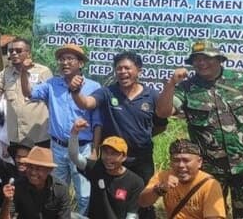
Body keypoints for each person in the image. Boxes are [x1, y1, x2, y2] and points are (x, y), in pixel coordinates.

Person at [157, 40, 243, 218]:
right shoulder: (186, 88)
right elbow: (163, 112)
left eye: (206, 58)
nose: (201, 63)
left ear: (219, 59)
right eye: (196, 59)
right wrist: (170, 84)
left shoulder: (242, 81)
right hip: (210, 170)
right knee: (212, 215)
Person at [69, 51, 171, 216]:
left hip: (141, 161)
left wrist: (140, 136)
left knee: (141, 203)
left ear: (139, 70)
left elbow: (161, 125)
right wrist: (75, 91)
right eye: (119, 69)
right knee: (110, 201)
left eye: (127, 68)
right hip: (112, 158)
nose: (123, 72)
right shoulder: (107, 92)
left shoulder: (151, 95)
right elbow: (86, 103)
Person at [28, 44, 101, 215]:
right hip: (58, 148)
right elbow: (30, 93)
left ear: (81, 63)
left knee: (84, 195)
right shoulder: (52, 84)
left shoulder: (93, 86)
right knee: (58, 191)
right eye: (62, 59)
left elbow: (98, 122)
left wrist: (95, 151)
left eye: (70, 59)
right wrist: (24, 72)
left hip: (82, 148)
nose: (65, 63)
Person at [0, 38, 53, 145]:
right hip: (16, 136)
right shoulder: (6, 73)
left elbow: (52, 101)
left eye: (18, 51)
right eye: (11, 51)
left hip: (39, 136)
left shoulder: (43, 72)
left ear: (28, 53)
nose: (14, 53)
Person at [69, 118, 144, 219]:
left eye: (114, 154)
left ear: (124, 157)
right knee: (67, 215)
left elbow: (132, 214)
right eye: (106, 152)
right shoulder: (96, 168)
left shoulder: (136, 182)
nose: (108, 157)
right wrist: (74, 132)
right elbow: (75, 157)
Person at [139, 139, 225, 219]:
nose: (181, 165)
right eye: (176, 160)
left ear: (199, 162)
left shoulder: (210, 185)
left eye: (186, 160)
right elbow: (143, 202)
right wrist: (160, 189)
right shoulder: (163, 177)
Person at [0, 146, 71, 219]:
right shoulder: (18, 187)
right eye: (30, 167)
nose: (33, 172)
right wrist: (7, 200)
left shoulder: (60, 190)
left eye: (38, 169)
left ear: (49, 170)